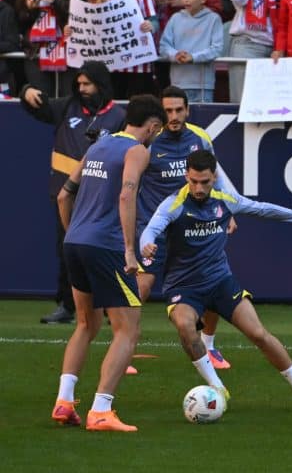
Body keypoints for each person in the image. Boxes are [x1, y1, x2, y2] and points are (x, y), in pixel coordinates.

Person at [139, 149, 292, 410]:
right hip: (184, 286)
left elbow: (264, 210)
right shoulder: (173, 204)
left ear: (214, 177)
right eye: (193, 181)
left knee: (258, 334)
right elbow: (150, 229)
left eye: (204, 182)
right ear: (186, 176)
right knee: (185, 326)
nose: (198, 188)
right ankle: (217, 387)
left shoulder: (226, 200)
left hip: (220, 281)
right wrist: (146, 244)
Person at [51, 94, 166, 432]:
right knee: (128, 330)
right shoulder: (138, 150)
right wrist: (130, 250)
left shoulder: (99, 146)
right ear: (154, 126)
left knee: (86, 325)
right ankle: (101, 410)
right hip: (107, 246)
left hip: (74, 242)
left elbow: (63, 194)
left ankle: (64, 401)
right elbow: (127, 193)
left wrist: (74, 233)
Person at [137, 86, 236, 369]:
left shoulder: (200, 137)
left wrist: (228, 211)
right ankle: (126, 346)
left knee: (216, 281)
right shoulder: (150, 141)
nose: (174, 116)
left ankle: (210, 345)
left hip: (194, 226)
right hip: (155, 225)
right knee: (140, 287)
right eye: (168, 110)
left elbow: (216, 174)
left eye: (179, 110)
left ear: (187, 110)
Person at [21, 63, 126, 325]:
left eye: (87, 84)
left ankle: (111, 307)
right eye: (79, 84)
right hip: (65, 194)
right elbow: (37, 106)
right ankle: (68, 306)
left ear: (101, 84)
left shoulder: (119, 116)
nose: (82, 89)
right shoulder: (67, 107)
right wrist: (25, 91)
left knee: (106, 252)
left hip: (103, 196)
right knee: (68, 251)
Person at [88, 0, 159, 98]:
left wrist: (150, 26)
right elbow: (90, 24)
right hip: (109, 64)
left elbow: (154, 21)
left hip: (138, 65)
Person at [159, 0, 225, 102]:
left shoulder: (213, 19)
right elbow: (164, 46)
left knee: (201, 121)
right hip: (177, 83)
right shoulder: (175, 18)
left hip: (203, 85)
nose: (186, 0)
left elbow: (216, 49)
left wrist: (193, 57)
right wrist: (175, 55)